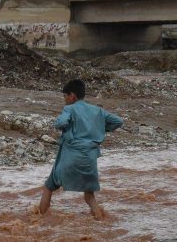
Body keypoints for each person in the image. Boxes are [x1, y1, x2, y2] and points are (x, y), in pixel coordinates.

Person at [37, 79, 123, 219]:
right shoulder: (97, 110)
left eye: (65, 96)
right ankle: (100, 219)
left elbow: (61, 122)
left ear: (72, 96)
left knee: (49, 186)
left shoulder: (69, 108)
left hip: (70, 156)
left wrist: (62, 125)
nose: (64, 100)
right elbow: (118, 121)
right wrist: (99, 128)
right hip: (89, 158)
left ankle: (38, 220)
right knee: (89, 195)